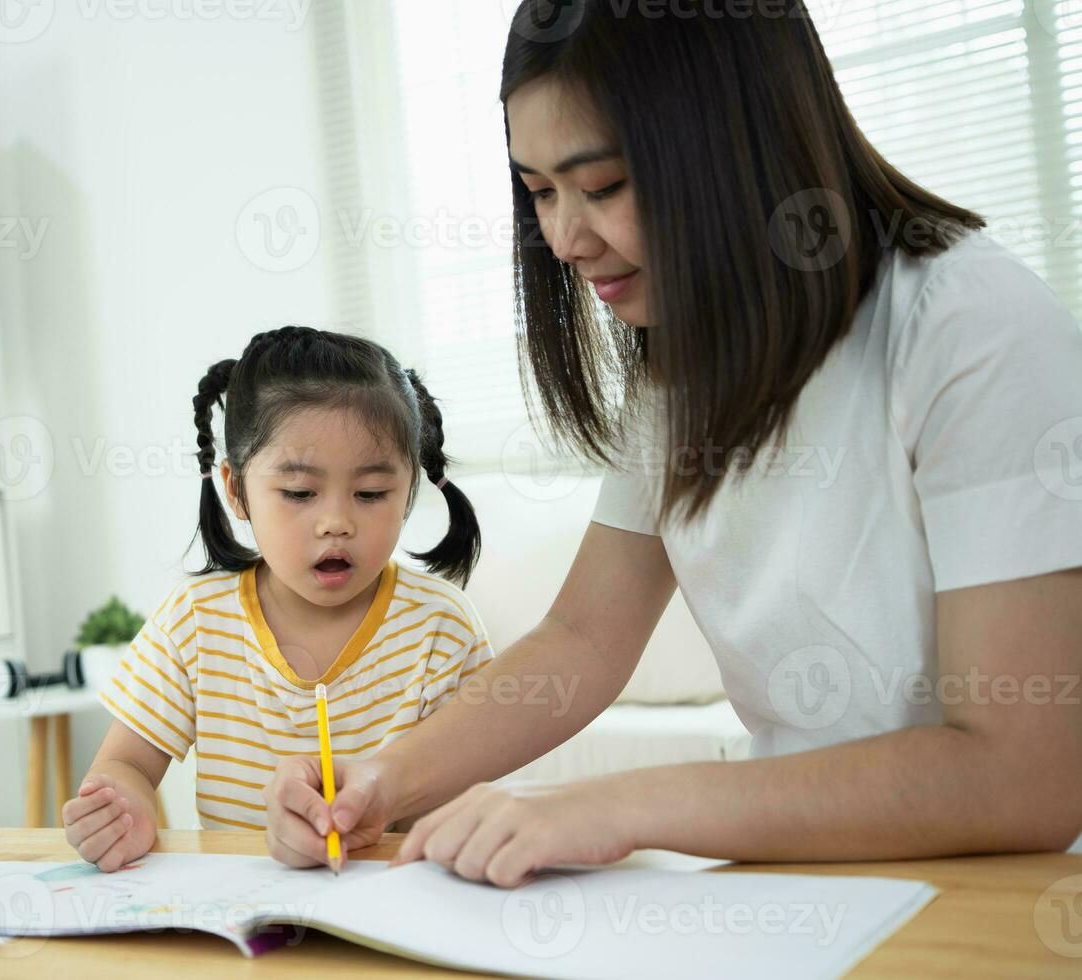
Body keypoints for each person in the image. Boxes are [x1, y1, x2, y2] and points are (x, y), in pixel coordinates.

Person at [262, 0, 1082, 885]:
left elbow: (1024, 775)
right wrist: (383, 778)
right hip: (804, 887)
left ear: (743, 139)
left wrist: (618, 807)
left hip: (992, 896)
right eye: (540, 191)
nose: (567, 239)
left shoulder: (973, 327)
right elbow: (582, 639)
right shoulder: (683, 367)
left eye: (604, 183)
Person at [63, 325, 493, 871]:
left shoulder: (441, 627)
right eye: (298, 493)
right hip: (243, 921)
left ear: (409, 491)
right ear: (237, 490)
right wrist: (124, 809)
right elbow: (126, 765)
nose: (336, 522)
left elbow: (466, 799)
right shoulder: (196, 621)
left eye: (371, 494)